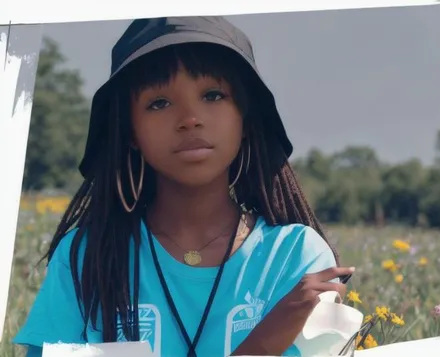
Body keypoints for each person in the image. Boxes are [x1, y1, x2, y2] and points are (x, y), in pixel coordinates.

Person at [13, 16, 355, 357]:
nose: (190, 118)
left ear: (246, 119)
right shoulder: (88, 257)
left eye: (213, 94)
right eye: (159, 103)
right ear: (130, 131)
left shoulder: (296, 260)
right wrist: (264, 345)